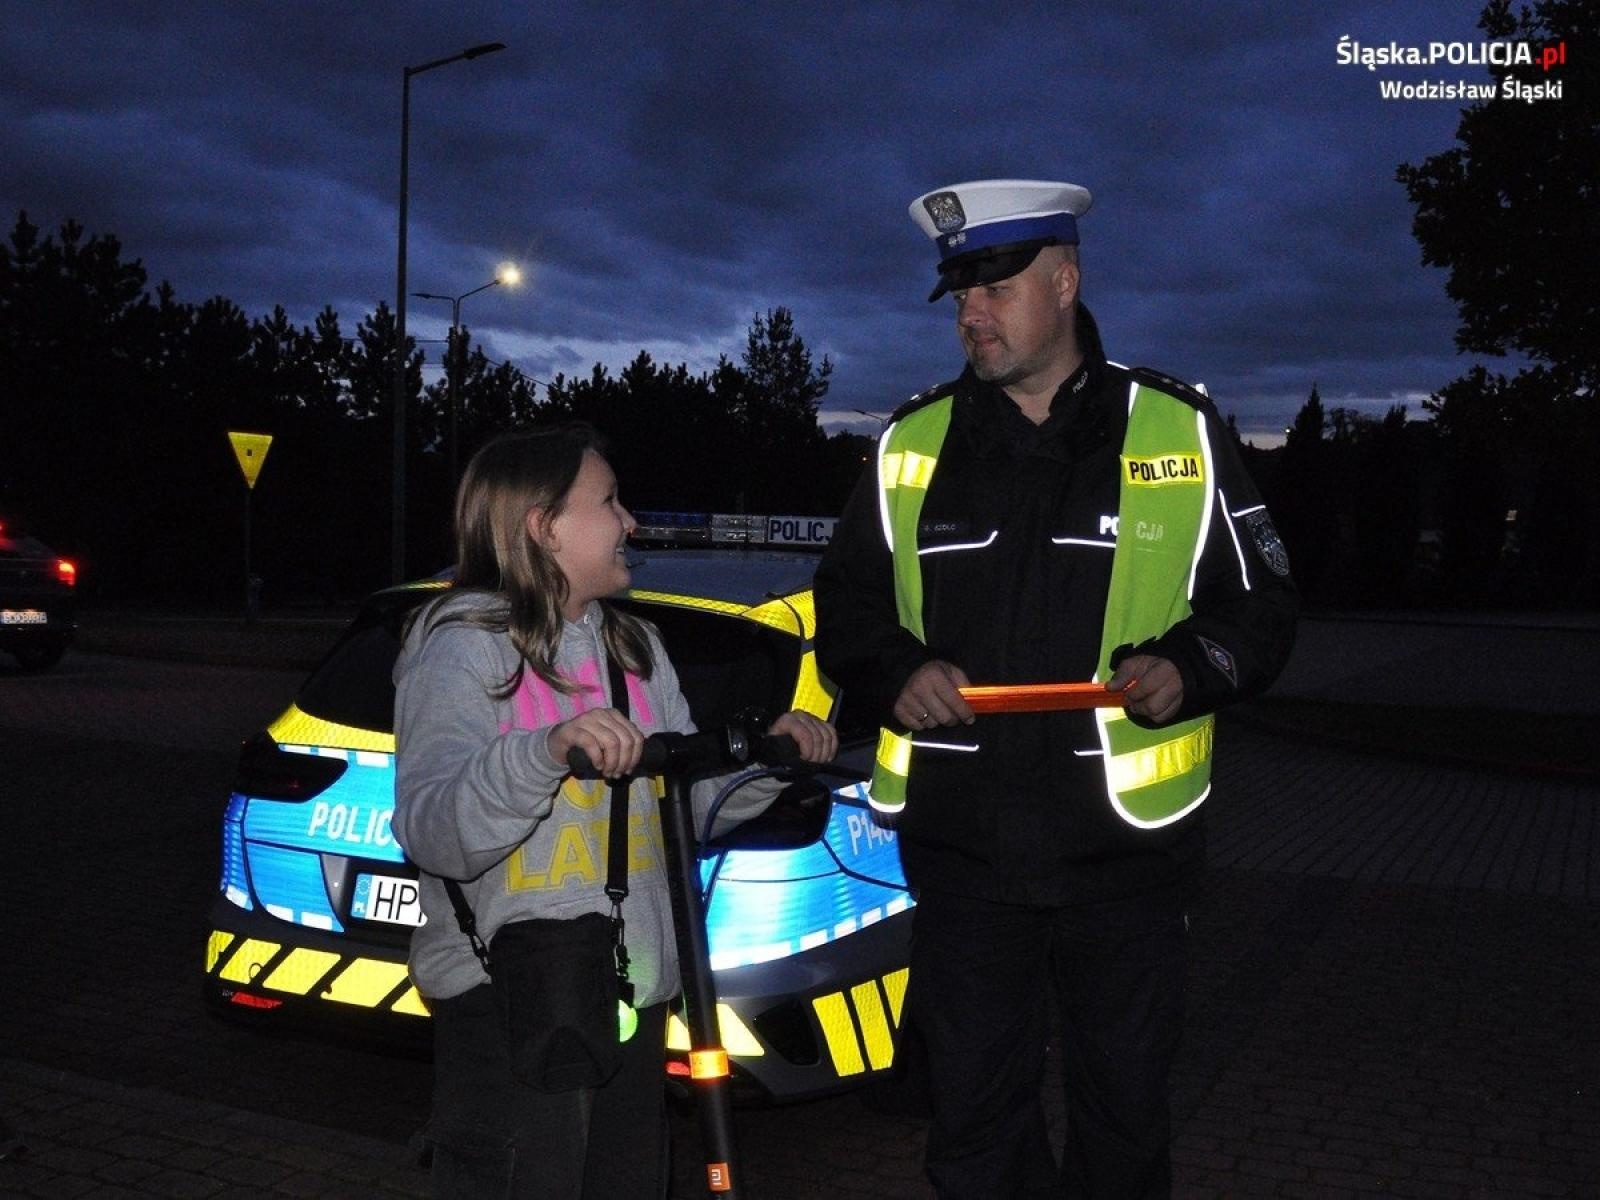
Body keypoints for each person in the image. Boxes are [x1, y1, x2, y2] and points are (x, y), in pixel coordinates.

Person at [814, 179, 1297, 1197]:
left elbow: (1261, 609)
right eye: (957, 297)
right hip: (962, 860)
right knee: (974, 1123)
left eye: (993, 290)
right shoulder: (910, 444)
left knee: (1123, 1117)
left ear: (1065, 282)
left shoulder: (1181, 430)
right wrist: (897, 672)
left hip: (1123, 862)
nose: (969, 316)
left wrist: (1189, 665)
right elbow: (847, 611)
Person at [394, 423, 837, 1199]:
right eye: (609, 501)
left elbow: (675, 816)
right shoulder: (461, 648)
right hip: (509, 1001)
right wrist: (542, 751)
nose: (631, 521)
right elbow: (434, 831)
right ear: (543, 526)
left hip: (631, 990)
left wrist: (764, 768)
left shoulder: (635, 648)